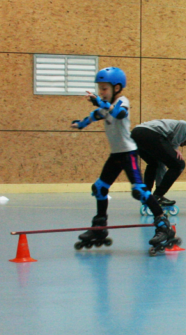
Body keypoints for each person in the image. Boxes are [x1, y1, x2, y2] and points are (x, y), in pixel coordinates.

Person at [70, 67, 178, 254]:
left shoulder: (122, 101)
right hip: (116, 155)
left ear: (117, 88)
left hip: (129, 154)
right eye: (100, 88)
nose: (102, 92)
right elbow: (94, 116)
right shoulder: (104, 107)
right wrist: (80, 124)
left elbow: (119, 113)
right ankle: (99, 227)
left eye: (105, 89)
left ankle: (163, 225)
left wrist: (99, 102)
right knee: (99, 188)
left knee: (139, 191)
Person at [130, 119, 186, 214]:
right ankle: (158, 196)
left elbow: (161, 164)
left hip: (135, 134)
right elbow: (182, 123)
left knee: (154, 163)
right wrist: (175, 147)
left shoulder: (168, 133)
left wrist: (159, 185)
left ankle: (147, 195)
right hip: (149, 133)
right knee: (179, 165)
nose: (184, 144)